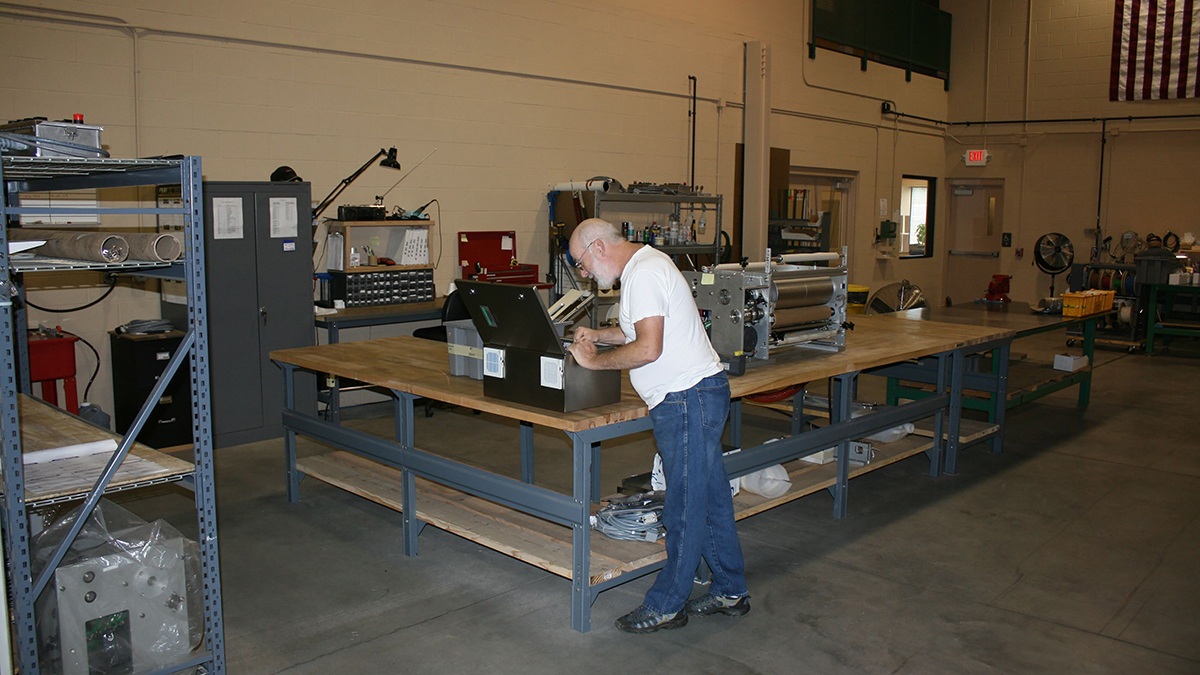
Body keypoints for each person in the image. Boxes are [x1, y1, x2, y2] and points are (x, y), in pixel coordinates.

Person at [566, 218, 749, 634]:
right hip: (696, 395)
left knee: (683, 506)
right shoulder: (645, 266)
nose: (584, 274)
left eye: (581, 263)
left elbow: (648, 348)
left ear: (597, 248)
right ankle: (730, 589)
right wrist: (600, 335)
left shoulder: (644, 273)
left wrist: (592, 360)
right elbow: (639, 330)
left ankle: (667, 604)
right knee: (711, 499)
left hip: (686, 399)